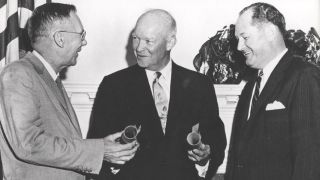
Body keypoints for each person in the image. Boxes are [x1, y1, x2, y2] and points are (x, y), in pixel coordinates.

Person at [0, 3, 139, 180]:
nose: (84, 41)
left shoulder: (49, 77)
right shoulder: (18, 74)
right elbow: (30, 143)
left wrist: (106, 150)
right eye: (81, 35)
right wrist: (100, 150)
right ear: (59, 38)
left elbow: (63, 143)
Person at [87, 9, 226, 180]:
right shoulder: (113, 85)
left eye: (148, 41)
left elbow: (216, 142)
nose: (139, 48)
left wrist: (204, 158)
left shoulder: (200, 85)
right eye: (135, 38)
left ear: (170, 42)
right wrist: (115, 163)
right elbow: (97, 149)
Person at [225, 2, 320, 180]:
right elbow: (235, 159)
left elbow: (309, 161)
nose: (239, 47)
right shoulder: (250, 87)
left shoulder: (304, 76)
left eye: (245, 37)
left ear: (270, 32)